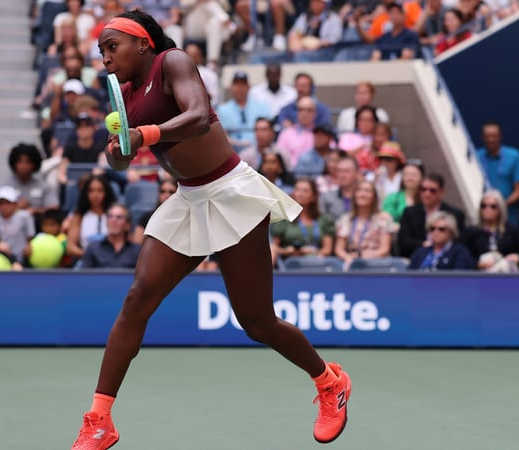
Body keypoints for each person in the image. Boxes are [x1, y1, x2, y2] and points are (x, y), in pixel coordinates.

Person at [70, 10, 352, 449]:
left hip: (231, 193)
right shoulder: (123, 94)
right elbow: (121, 159)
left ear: (143, 43)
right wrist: (119, 150)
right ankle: (100, 419)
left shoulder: (173, 61)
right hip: (188, 199)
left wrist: (144, 135)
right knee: (137, 299)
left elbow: (199, 116)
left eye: (112, 47)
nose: (105, 57)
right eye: (101, 50)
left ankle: (329, 382)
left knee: (257, 322)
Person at [270, 177, 336, 266]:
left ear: (313, 196)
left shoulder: (324, 220)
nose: (300, 194)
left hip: (317, 262)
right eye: (297, 190)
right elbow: (273, 247)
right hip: (291, 262)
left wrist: (313, 252)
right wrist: (287, 251)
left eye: (305, 191)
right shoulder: (284, 219)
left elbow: (327, 250)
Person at [397, 172, 466, 258]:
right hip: (415, 259)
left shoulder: (455, 215)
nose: (427, 194)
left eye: (432, 191)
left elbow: (459, 243)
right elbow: (403, 242)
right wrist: (423, 245)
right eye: (423, 189)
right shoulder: (410, 213)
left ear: (441, 192)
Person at [460, 190, 519, 272]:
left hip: (505, 275)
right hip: (479, 275)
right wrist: (477, 263)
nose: (487, 209)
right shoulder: (472, 232)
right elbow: (462, 256)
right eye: (484, 206)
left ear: (500, 209)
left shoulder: (510, 230)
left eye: (493, 206)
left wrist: (518, 257)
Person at [475, 121, 519, 223]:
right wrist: (487, 207)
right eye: (487, 136)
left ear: (500, 136)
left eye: (494, 136)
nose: (491, 139)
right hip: (482, 217)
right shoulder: (476, 157)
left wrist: (501, 206)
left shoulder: (514, 156)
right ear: (482, 137)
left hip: (507, 217)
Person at [334, 179, 394, 269]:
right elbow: (339, 249)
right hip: (351, 264)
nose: (362, 194)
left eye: (367, 191)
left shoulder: (383, 219)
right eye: (359, 190)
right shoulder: (345, 219)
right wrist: (347, 257)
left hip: (376, 264)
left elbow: (385, 249)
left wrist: (370, 255)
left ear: (374, 197)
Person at [78, 203, 142, 269]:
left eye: (119, 217)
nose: (113, 220)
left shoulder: (137, 251)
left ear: (127, 225)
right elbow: (84, 274)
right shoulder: (93, 248)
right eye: (110, 216)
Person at [408, 210, 474, 270]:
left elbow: (459, 276)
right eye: (432, 228)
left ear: (451, 232)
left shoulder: (459, 253)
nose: (436, 232)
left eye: (441, 229)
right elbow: (408, 275)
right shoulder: (420, 252)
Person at [131, 178, 177, 244]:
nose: (166, 195)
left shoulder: (184, 218)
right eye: (162, 191)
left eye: (171, 192)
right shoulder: (147, 217)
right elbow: (136, 244)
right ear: (159, 194)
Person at [382, 158, 423, 225]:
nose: (410, 178)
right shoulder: (392, 198)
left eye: (414, 175)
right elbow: (386, 219)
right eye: (407, 174)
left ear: (422, 177)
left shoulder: (426, 197)